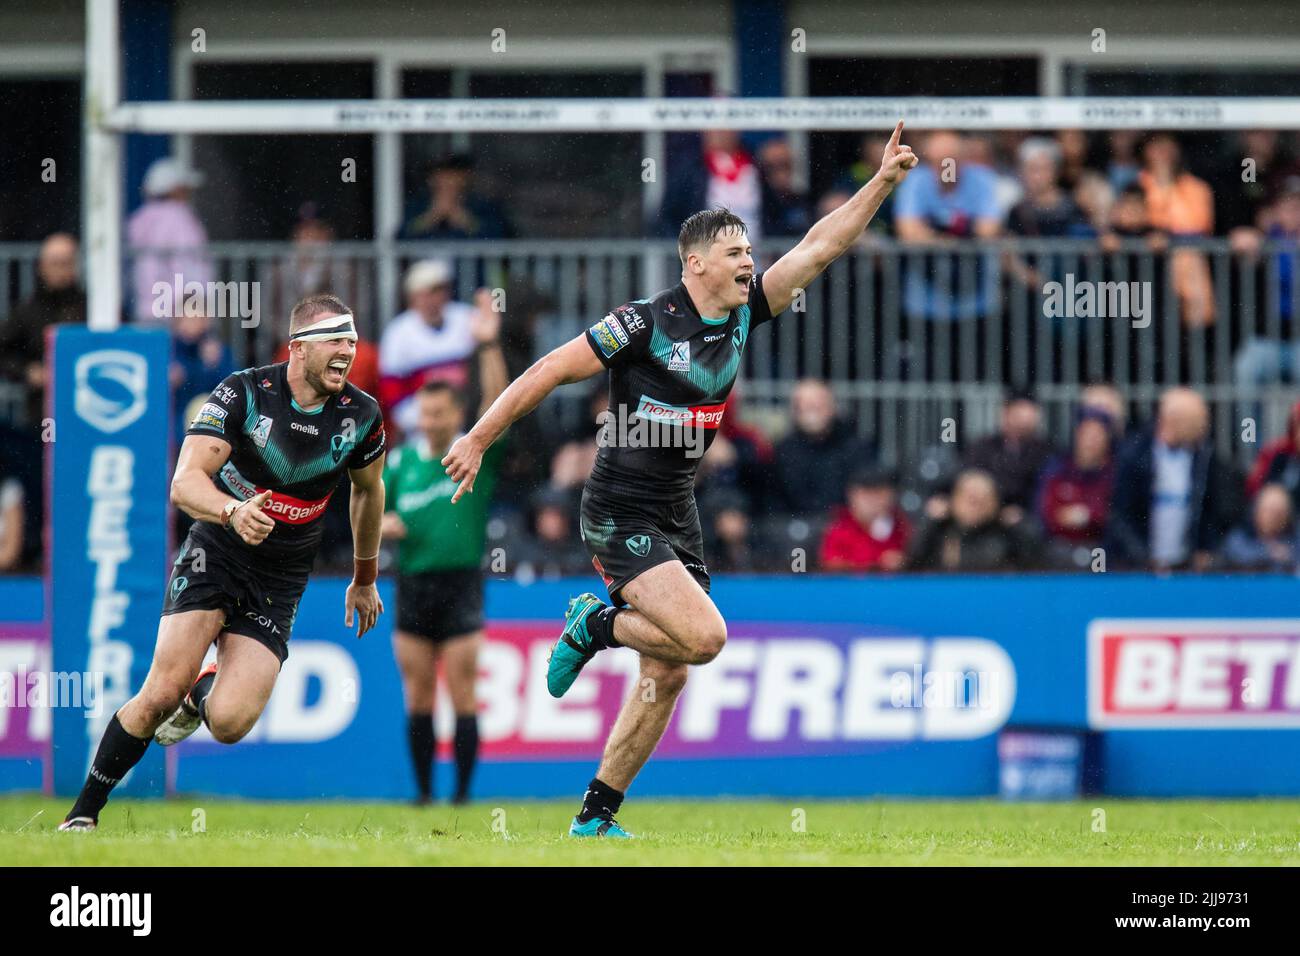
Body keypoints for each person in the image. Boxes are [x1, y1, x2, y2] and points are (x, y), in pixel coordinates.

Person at [441, 122, 918, 838]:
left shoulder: (743, 313)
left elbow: (822, 246)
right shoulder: (639, 324)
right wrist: (479, 437)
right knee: (703, 638)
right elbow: (544, 371)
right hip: (616, 508)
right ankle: (595, 624)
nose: (750, 264)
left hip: (676, 509)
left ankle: (594, 819)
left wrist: (879, 183)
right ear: (694, 263)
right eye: (735, 253)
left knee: (667, 671)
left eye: (751, 251)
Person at [59, 294, 387, 831]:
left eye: (351, 343)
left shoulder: (362, 416)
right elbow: (185, 483)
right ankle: (83, 815)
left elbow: (368, 493)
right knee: (160, 691)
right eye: (334, 341)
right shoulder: (243, 392)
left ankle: (202, 691)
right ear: (297, 349)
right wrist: (233, 512)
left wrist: (364, 576)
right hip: (218, 548)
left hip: (281, 575)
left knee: (231, 723)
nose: (347, 353)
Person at [380, 298, 508, 805]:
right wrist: (381, 527)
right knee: (418, 696)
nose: (430, 419)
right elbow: (371, 512)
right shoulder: (399, 461)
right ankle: (424, 795)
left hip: (460, 583)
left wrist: (489, 342)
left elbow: (499, 401)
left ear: (455, 414)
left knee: (461, 693)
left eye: (439, 411)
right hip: (412, 582)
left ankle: (461, 796)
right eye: (424, 411)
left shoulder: (471, 452)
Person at [1104, 387, 1239, 572]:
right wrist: (1143, 558)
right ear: (1174, 421)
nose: (1203, 428)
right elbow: (1121, 515)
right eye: (1197, 421)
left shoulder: (1204, 459)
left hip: (1185, 567)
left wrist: (1206, 549)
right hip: (1139, 568)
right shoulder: (1134, 455)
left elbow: (1213, 510)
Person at [378, 259, 480, 438]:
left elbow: (485, 373)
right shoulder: (398, 333)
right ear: (412, 297)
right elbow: (392, 392)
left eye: (437, 291)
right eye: (424, 293)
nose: (431, 299)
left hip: (470, 424)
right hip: (421, 431)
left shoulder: (468, 318)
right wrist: (425, 422)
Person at [0, 232, 86, 425]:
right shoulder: (27, 311)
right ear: (41, 266)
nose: (61, 271)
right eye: (55, 263)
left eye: (67, 263)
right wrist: (27, 371)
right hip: (41, 411)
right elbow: (4, 351)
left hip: (87, 408)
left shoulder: (93, 308)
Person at [770, 379, 875, 517]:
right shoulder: (782, 451)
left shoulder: (856, 447)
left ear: (832, 407)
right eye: (804, 405)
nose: (811, 410)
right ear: (794, 411)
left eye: (818, 404)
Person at [127, 158, 213, 324]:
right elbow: (193, 267)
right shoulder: (181, 218)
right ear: (176, 190)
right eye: (185, 189)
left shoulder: (138, 219)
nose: (188, 194)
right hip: (179, 314)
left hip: (144, 310)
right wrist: (198, 307)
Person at [906, 469, 1037, 572]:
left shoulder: (1006, 535)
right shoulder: (940, 532)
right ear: (954, 500)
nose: (975, 506)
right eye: (969, 498)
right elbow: (912, 561)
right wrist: (929, 522)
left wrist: (1020, 528)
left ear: (995, 503)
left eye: (983, 499)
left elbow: (1036, 562)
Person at [961, 390, 1056, 523]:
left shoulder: (1046, 450)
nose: (1024, 422)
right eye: (1019, 415)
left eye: (1028, 416)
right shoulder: (983, 447)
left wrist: (1022, 510)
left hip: (1027, 517)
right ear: (1005, 413)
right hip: (987, 515)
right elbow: (970, 478)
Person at [1035, 407, 1116, 555]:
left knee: (1101, 568)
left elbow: (1114, 517)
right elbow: (1046, 514)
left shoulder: (1115, 473)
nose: (1091, 441)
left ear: (1107, 439)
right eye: (1086, 434)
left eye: (1097, 435)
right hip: (1058, 548)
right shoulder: (1057, 469)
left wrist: (1087, 516)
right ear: (1077, 436)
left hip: (1100, 549)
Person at [397, 154, 511, 241]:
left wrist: (463, 218)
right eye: (442, 177)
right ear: (431, 179)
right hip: (424, 270)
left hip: (468, 271)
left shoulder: (483, 206)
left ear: (465, 179)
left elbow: (499, 238)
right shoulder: (417, 206)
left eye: (454, 177)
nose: (448, 182)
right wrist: (431, 216)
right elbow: (399, 240)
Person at [819, 468, 910, 572]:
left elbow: (915, 559)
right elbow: (831, 564)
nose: (873, 502)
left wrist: (903, 561)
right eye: (867, 495)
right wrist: (875, 564)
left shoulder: (901, 525)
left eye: (879, 494)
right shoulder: (839, 526)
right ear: (852, 496)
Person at [1220, 483, 1299, 573]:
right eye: (1270, 511)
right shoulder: (1239, 538)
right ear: (1257, 511)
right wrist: (1268, 554)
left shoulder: (1294, 541)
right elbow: (1235, 558)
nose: (1274, 518)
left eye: (1279, 513)